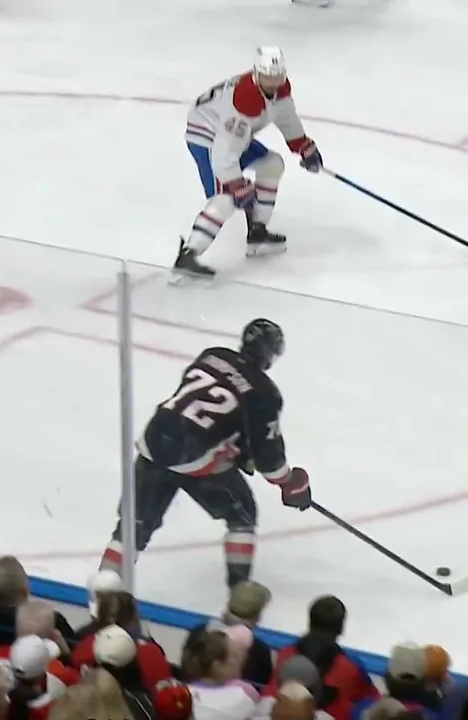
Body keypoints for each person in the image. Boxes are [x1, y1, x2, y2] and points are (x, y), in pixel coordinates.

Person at [99, 318, 311, 589]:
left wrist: (241, 450)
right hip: (195, 458)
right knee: (243, 516)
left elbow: (201, 410)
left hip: (154, 441)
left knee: (132, 528)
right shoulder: (264, 393)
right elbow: (268, 457)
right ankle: (240, 595)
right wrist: (289, 482)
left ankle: (101, 594)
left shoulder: (212, 356)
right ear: (271, 353)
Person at [175, 46, 325, 279]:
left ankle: (257, 233)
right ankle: (188, 255)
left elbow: (286, 116)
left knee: (272, 165)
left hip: (230, 136)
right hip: (207, 135)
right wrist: (236, 184)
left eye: (278, 76)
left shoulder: (280, 89)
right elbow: (224, 153)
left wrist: (302, 145)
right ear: (257, 73)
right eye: (268, 76)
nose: (274, 82)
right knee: (225, 199)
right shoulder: (244, 100)